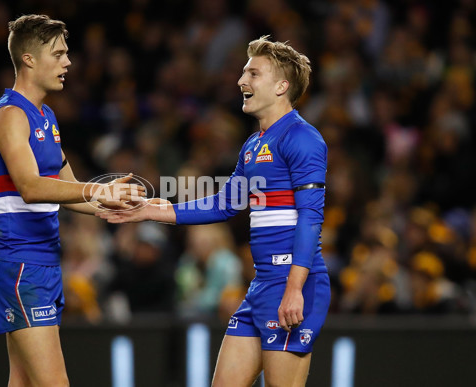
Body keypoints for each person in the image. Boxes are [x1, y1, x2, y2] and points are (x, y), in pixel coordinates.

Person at [98, 36, 330, 386]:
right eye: (243, 72)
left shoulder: (303, 138)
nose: (241, 81)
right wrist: (150, 211)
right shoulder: (254, 145)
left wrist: (295, 287)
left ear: (282, 86)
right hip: (262, 285)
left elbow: (311, 217)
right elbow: (224, 204)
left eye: (253, 73)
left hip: (293, 284)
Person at [0, 14, 145, 386]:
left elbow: (70, 191)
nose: (68, 62)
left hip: (39, 265)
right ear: (29, 59)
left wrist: (124, 206)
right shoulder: (9, 117)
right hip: (19, 265)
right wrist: (101, 190)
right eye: (59, 54)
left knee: (22, 381)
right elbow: (32, 187)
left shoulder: (46, 115)